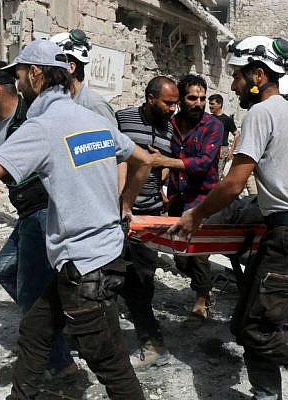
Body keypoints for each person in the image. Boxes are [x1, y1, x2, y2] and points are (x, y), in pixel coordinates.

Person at [0, 39, 152, 399]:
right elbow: (142, 160)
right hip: (95, 255)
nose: (17, 83)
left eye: (19, 75)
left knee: (111, 366)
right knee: (35, 333)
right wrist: (123, 205)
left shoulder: (44, 126)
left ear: (35, 74)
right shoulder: (91, 120)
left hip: (85, 268)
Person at [169, 35, 288, 400]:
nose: (233, 85)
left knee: (257, 330)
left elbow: (233, 183)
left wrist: (196, 216)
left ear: (258, 75)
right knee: (248, 323)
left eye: (238, 76)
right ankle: (266, 394)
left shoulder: (261, 113)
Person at [0, 59, 80, 382]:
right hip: (27, 213)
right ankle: (57, 325)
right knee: (5, 270)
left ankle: (61, 363)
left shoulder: (33, 117)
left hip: (46, 209)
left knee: (31, 292)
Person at [115, 75, 178, 369]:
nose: (173, 109)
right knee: (114, 276)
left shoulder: (170, 129)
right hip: (118, 212)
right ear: (151, 98)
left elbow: (169, 164)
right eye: (168, 102)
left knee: (144, 278)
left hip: (150, 214)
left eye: (175, 103)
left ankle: (148, 337)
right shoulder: (123, 119)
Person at [149, 74, 224, 319]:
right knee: (181, 257)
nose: (199, 103)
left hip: (203, 199)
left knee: (199, 253)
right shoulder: (172, 124)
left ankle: (201, 300)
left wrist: (165, 161)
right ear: (181, 99)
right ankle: (202, 286)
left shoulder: (214, 126)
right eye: (192, 98)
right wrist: (161, 186)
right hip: (177, 198)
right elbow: (158, 157)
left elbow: (202, 163)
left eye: (202, 98)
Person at [50, 29, 116, 123]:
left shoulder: (93, 105)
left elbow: (110, 136)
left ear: (71, 67)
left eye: (53, 68)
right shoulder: (58, 102)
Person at [208, 93, 239, 178]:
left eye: (212, 104)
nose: (210, 106)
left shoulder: (227, 120)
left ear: (219, 104)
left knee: (217, 174)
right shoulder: (208, 118)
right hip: (209, 148)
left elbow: (236, 135)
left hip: (221, 150)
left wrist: (231, 151)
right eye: (209, 103)